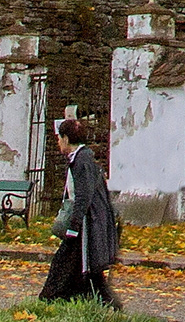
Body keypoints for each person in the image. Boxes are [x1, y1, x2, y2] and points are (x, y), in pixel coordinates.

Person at [34, 114, 123, 307]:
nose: (58, 142)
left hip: (86, 223)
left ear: (66, 139)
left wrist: (73, 226)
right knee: (84, 267)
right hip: (87, 222)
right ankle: (94, 300)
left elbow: (83, 196)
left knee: (68, 262)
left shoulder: (82, 161)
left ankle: (50, 298)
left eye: (59, 138)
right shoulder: (81, 158)